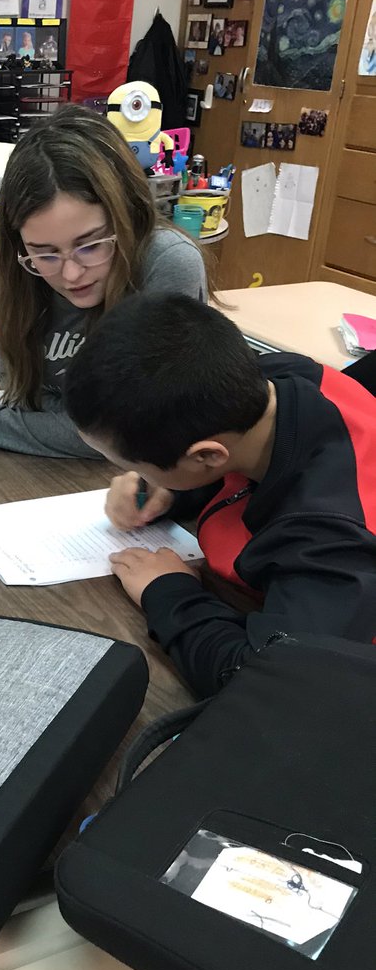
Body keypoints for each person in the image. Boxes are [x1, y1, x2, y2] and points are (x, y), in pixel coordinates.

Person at [63, 294, 376, 698]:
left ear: (207, 455)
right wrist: (168, 489)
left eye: (136, 466)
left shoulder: (332, 542)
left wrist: (169, 591)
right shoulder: (272, 379)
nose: (130, 476)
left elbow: (268, 686)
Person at [0, 105, 207, 457]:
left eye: (91, 246)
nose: (71, 274)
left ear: (127, 217)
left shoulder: (167, 262)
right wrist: (77, 425)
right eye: (45, 254)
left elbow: (134, 433)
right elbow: (23, 396)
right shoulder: (16, 268)